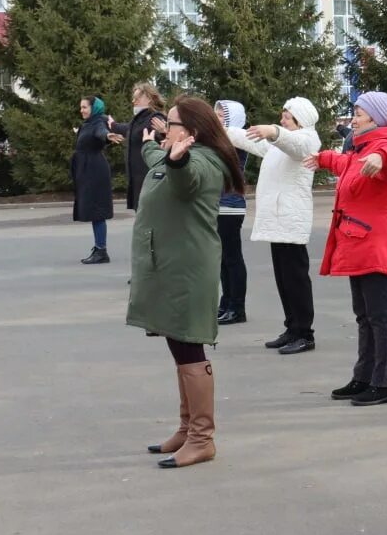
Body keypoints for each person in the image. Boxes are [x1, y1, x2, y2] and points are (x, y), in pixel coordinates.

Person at [130, 96, 247, 469]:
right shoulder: (174, 154)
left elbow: (186, 181)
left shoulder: (201, 163)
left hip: (187, 269)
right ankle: (186, 429)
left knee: (189, 346)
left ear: (191, 131)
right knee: (177, 344)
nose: (166, 127)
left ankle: (202, 438)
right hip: (169, 266)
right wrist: (150, 144)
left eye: (172, 123)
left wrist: (177, 160)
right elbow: (157, 161)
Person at [304, 92, 387, 407]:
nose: (354, 117)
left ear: (376, 118)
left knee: (380, 317)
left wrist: (381, 159)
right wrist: (323, 158)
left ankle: (385, 383)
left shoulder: (383, 145)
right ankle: (364, 377)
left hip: (373, 245)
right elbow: (346, 163)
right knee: (364, 316)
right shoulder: (361, 147)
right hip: (358, 242)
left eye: (359, 112)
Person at [226, 97, 321, 355]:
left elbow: (296, 145)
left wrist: (274, 131)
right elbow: (247, 138)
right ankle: (291, 328)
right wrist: (219, 128)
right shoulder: (279, 144)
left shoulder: (308, 139)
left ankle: (305, 333)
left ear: (300, 120)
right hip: (278, 221)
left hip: (291, 220)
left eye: (286, 117)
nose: (281, 120)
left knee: (296, 279)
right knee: (283, 279)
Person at [214, 100, 249, 325]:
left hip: (231, 206)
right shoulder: (221, 139)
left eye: (220, 114)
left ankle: (237, 308)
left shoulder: (236, 138)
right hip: (218, 205)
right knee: (222, 259)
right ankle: (226, 303)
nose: (216, 117)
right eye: (215, 113)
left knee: (232, 258)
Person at [106, 82, 166, 212]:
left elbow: (166, 138)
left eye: (137, 98)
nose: (133, 101)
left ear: (149, 99)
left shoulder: (155, 118)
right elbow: (130, 129)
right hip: (138, 181)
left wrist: (164, 132)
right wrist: (114, 126)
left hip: (149, 181)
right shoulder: (139, 119)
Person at [73, 95, 114, 265]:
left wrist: (107, 136)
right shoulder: (88, 123)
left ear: (94, 108)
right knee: (94, 210)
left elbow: (101, 132)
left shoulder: (98, 122)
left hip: (95, 171)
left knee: (97, 211)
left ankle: (101, 251)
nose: (81, 110)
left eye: (85, 107)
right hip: (88, 170)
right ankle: (99, 248)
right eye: (81, 107)